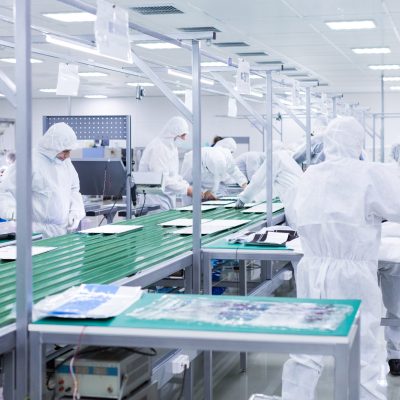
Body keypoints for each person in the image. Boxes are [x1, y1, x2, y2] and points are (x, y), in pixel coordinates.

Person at [272, 116, 400, 400]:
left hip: (311, 268)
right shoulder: (368, 173)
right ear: (357, 142)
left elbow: (295, 216)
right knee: (362, 351)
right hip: (352, 274)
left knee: (305, 347)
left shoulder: (310, 175)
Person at [0, 122, 85, 238]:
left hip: (62, 232)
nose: (68, 155)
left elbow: (74, 189)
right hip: (35, 234)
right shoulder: (30, 161)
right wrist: (14, 212)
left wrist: (75, 211)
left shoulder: (65, 163)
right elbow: (5, 192)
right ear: (54, 146)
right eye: (65, 151)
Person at [234, 142, 302, 227]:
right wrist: (256, 198)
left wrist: (244, 198)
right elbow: (275, 187)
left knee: (296, 229)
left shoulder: (275, 156)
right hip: (300, 200)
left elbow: (259, 180)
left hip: (292, 200)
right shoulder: (288, 159)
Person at [138, 116, 193, 210]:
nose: (184, 139)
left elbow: (174, 176)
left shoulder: (172, 148)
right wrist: (186, 190)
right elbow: (163, 180)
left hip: (166, 199)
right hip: (154, 202)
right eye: (182, 135)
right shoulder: (158, 148)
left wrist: (188, 187)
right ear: (173, 134)